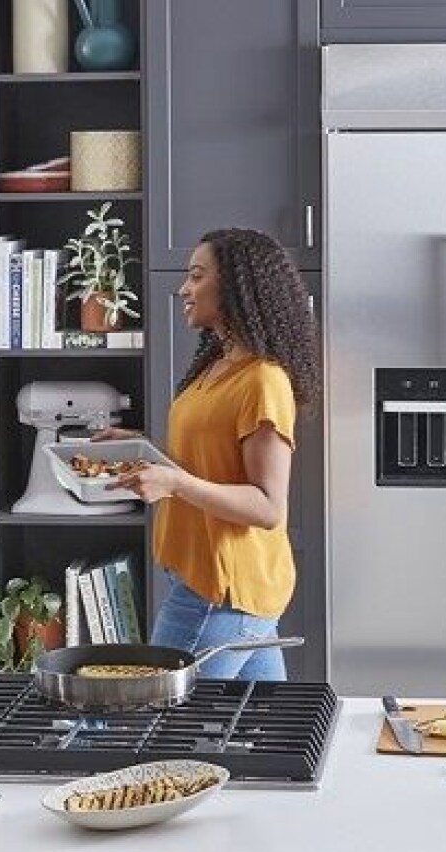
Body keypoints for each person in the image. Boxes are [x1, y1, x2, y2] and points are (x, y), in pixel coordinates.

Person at [100, 228, 320, 681]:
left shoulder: (262, 380)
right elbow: (211, 460)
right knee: (258, 734)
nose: (183, 288)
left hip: (220, 592)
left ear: (238, 287)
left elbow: (266, 507)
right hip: (221, 587)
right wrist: (142, 449)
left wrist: (175, 483)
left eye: (197, 276)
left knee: (164, 725)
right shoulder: (217, 367)